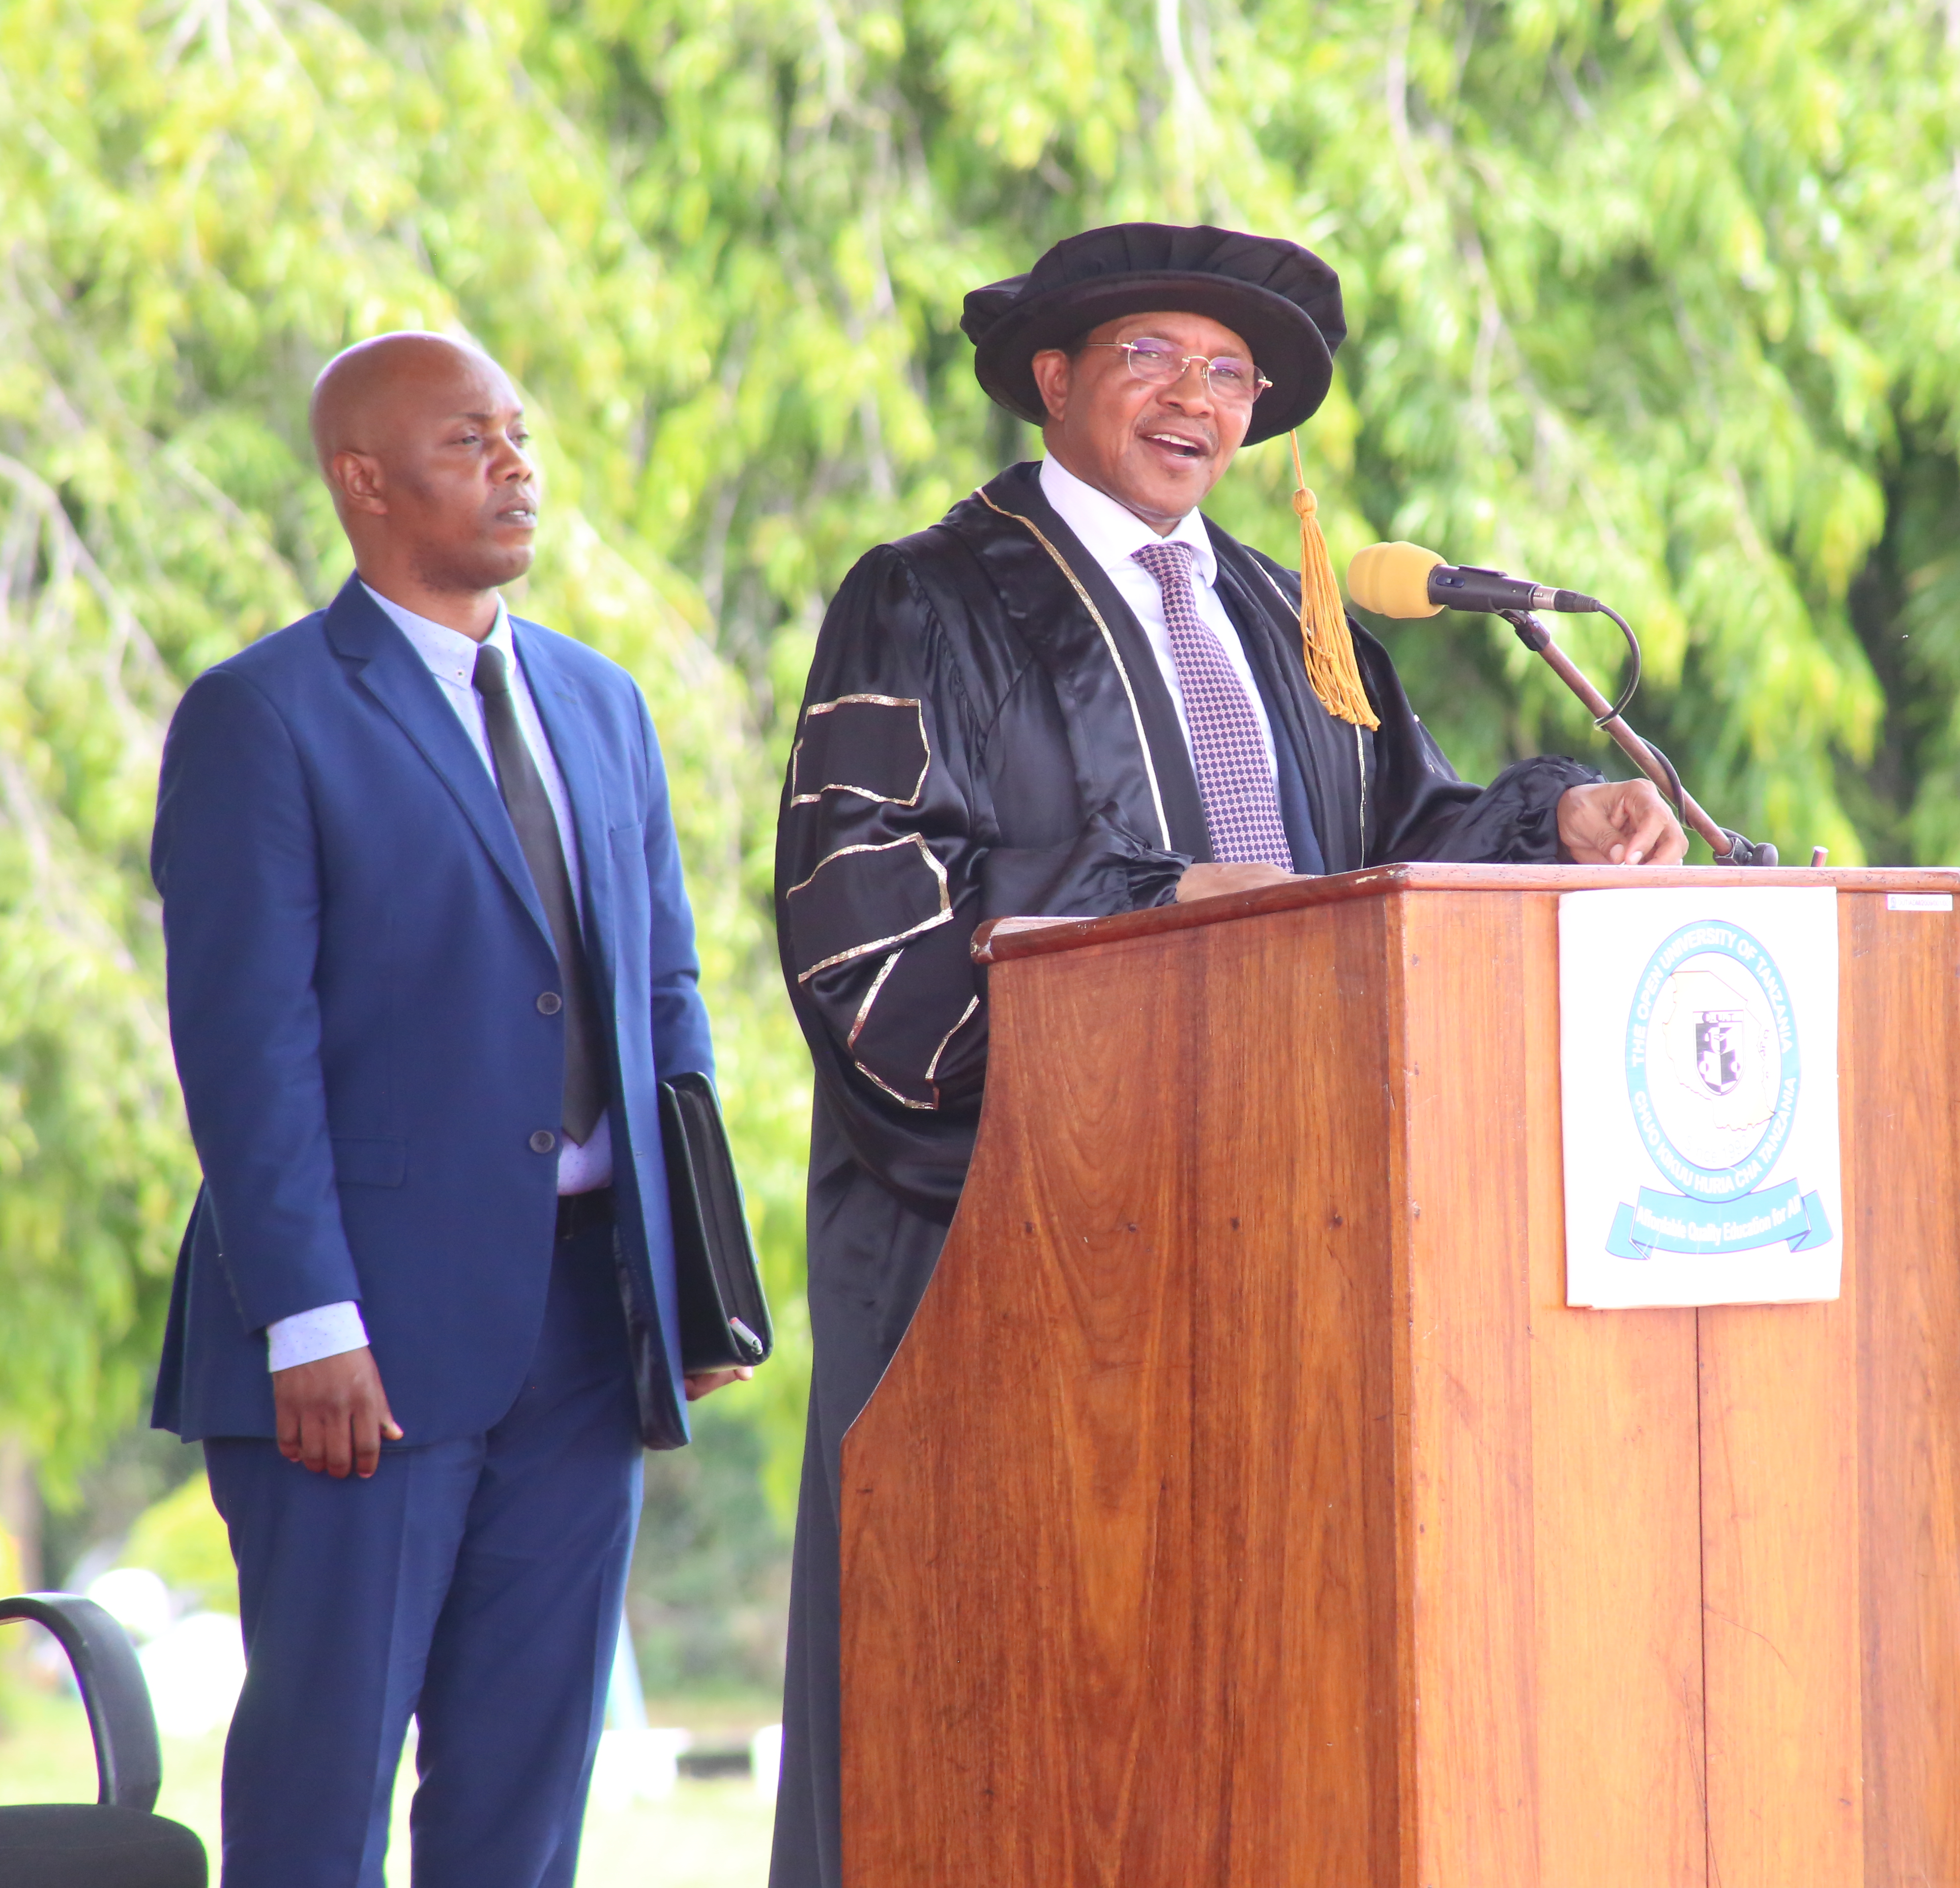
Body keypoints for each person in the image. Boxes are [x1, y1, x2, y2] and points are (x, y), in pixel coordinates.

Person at [765, 221, 1690, 1885]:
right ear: (1052, 378)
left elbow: (1395, 846)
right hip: (1007, 1249)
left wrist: (1557, 814)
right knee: (1001, 1734)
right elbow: (863, 921)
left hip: (1284, 1244)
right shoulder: (925, 601)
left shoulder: (1290, 619)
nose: (1199, 400)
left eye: (1232, 374)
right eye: (1154, 359)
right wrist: (1159, 908)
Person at [150, 331, 742, 1888]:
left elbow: (665, 995)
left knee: (526, 1792)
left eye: (521, 434)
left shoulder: (601, 702)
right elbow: (242, 1046)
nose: (517, 465)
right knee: (321, 1787)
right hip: (358, 1346)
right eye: (473, 440)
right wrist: (308, 1321)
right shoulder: (261, 716)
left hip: (585, 1322)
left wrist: (693, 1272)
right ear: (366, 479)